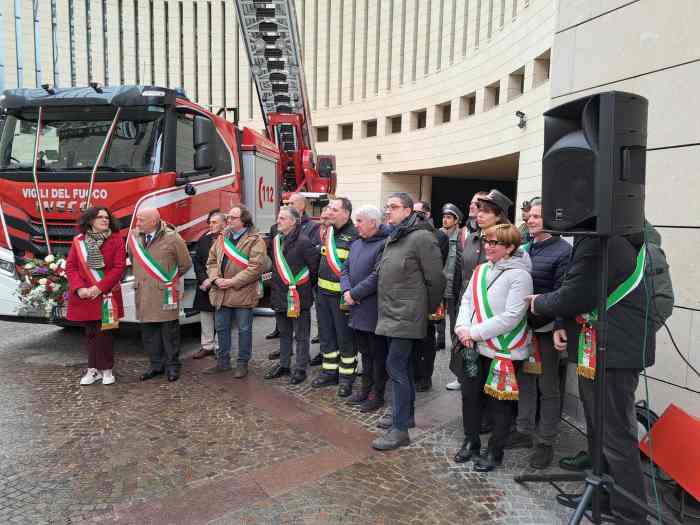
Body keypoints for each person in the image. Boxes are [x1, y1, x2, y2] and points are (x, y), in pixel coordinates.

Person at [527, 231, 654, 522]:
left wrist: (539, 303)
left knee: (615, 434)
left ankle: (631, 514)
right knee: (600, 430)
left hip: (615, 353)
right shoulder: (614, 234)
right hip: (600, 350)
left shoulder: (610, 237)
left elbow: (577, 293)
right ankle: (604, 494)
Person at [453, 223, 533, 471]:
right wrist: (461, 328)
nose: (487, 246)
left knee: (499, 405)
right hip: (474, 347)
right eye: (487, 241)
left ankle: (494, 451)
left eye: (494, 243)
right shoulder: (480, 271)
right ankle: (471, 441)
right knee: (470, 396)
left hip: (503, 351)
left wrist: (473, 332)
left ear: (510, 247)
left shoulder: (520, 276)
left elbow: (511, 316)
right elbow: (466, 301)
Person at [373, 192, 445, 451]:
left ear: (408, 211)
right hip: (391, 312)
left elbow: (437, 280)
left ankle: (400, 429)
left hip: (407, 314)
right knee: (401, 367)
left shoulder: (422, 238)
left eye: (393, 207)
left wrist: (425, 309)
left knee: (396, 367)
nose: (387, 211)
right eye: (386, 207)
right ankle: (406, 415)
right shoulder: (396, 235)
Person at [506, 199, 571, 468]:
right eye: (530, 216)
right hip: (524, 328)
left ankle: (545, 442)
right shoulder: (524, 249)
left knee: (548, 387)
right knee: (525, 381)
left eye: (537, 216)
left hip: (545, 331)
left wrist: (557, 325)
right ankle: (523, 430)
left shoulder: (564, 252)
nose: (531, 220)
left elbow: (564, 293)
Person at [447, 189, 510, 392]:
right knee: (469, 366)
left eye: (485, 210)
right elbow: (460, 272)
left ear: (499, 215)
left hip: (490, 314)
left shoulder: (507, 243)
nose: (478, 213)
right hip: (467, 307)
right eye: (478, 208)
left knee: (487, 370)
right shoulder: (473, 238)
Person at [129, 208, 192, 382]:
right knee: (149, 333)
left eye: (141, 220)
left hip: (165, 293)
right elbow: (132, 258)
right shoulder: (134, 237)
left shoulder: (172, 238)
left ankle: (172, 366)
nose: (137, 223)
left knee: (169, 333)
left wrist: (171, 279)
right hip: (143, 293)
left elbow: (185, 264)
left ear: (154, 221)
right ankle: (156, 365)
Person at [66, 207, 126, 386]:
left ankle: (107, 369)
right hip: (85, 295)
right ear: (90, 220)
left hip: (106, 295)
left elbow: (119, 267)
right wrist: (79, 288)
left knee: (106, 333)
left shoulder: (116, 240)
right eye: (100, 217)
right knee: (91, 333)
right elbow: (71, 267)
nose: (105, 220)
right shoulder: (78, 241)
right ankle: (93, 369)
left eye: (107, 217)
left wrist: (99, 287)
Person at [205, 204, 267, 378]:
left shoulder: (255, 240)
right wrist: (216, 279)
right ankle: (223, 362)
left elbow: (255, 268)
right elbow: (211, 262)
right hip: (221, 291)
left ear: (243, 220)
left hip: (242, 292)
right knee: (221, 328)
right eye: (228, 217)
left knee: (244, 330)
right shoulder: (222, 238)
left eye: (233, 218)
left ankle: (242, 363)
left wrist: (232, 281)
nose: (229, 220)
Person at [340, 205, 389, 412]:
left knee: (377, 356)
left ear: (373, 222)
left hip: (373, 310)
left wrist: (354, 294)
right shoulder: (357, 243)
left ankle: (377, 394)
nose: (356, 225)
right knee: (365, 353)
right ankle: (365, 389)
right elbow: (345, 269)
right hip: (357, 309)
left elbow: (377, 276)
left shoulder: (384, 245)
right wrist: (346, 291)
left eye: (359, 221)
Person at [265, 206, 320, 384]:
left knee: (301, 335)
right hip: (279, 295)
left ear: (293, 221)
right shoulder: (276, 240)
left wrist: (299, 288)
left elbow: (314, 269)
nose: (278, 221)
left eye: (282, 218)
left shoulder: (304, 242)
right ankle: (284, 365)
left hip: (298, 297)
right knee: (284, 332)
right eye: (278, 218)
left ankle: (300, 368)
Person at [312, 197, 359, 397]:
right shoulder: (329, 232)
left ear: (346, 214)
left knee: (345, 338)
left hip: (341, 298)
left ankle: (346, 377)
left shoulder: (355, 235)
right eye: (329, 208)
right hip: (323, 295)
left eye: (334, 209)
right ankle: (329, 371)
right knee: (326, 336)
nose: (329, 212)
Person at [413, 200, 448, 392]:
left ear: (427, 214)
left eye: (419, 213)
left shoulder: (439, 236)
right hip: (412, 294)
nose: (415, 217)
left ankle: (425, 376)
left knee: (426, 337)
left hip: (428, 293)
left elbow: (435, 268)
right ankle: (415, 372)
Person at [192, 211, 226, 360]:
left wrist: (214, 280)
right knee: (205, 316)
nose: (210, 225)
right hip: (206, 285)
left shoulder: (230, 240)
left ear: (224, 224)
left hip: (222, 285)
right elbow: (197, 262)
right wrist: (203, 279)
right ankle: (207, 346)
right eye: (210, 222)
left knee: (221, 317)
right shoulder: (204, 240)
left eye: (214, 222)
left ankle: (220, 347)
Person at [438, 203, 464, 351]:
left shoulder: (461, 236)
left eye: (449, 217)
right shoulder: (438, 234)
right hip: (440, 282)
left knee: (455, 315)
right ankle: (440, 340)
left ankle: (455, 343)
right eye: (444, 217)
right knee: (438, 314)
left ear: (456, 220)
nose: (445, 220)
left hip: (454, 283)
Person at [310, 205, 333, 353]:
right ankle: (323, 349)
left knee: (332, 324)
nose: (323, 221)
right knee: (321, 317)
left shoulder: (336, 233)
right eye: (322, 218)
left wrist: (319, 248)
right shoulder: (315, 231)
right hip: (317, 280)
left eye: (327, 218)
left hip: (332, 284)